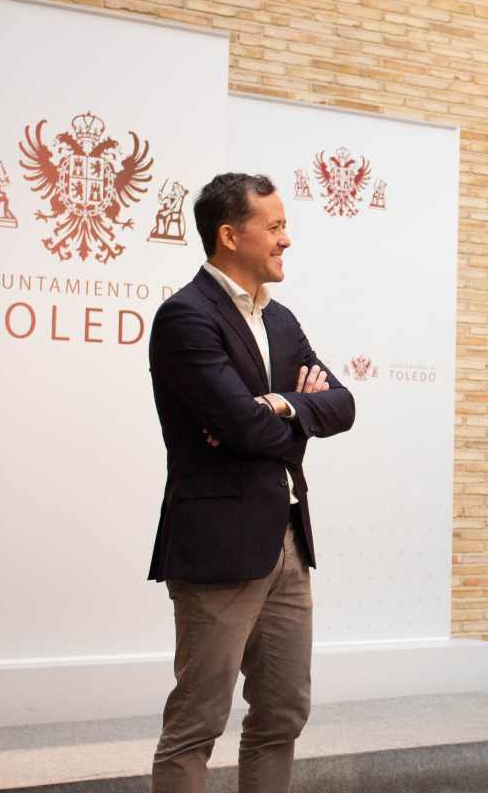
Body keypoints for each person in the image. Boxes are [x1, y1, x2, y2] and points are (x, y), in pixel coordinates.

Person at [146, 173, 355, 792]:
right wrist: (275, 416)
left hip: (288, 542)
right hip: (218, 547)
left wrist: (282, 407)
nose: (287, 239)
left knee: (284, 714)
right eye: (275, 226)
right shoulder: (185, 317)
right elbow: (240, 429)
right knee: (197, 722)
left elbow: (342, 404)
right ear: (230, 235)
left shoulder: (282, 319)